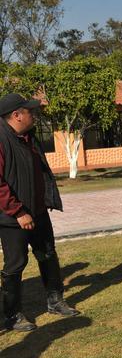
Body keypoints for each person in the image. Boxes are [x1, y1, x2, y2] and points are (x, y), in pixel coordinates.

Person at [0, 94, 80, 332]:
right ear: (16, 115)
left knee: (47, 254)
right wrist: (18, 212)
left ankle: (55, 301)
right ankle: (12, 315)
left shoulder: (28, 137)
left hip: (38, 211)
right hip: (12, 217)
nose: (34, 115)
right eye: (29, 111)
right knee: (15, 264)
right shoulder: (1, 139)